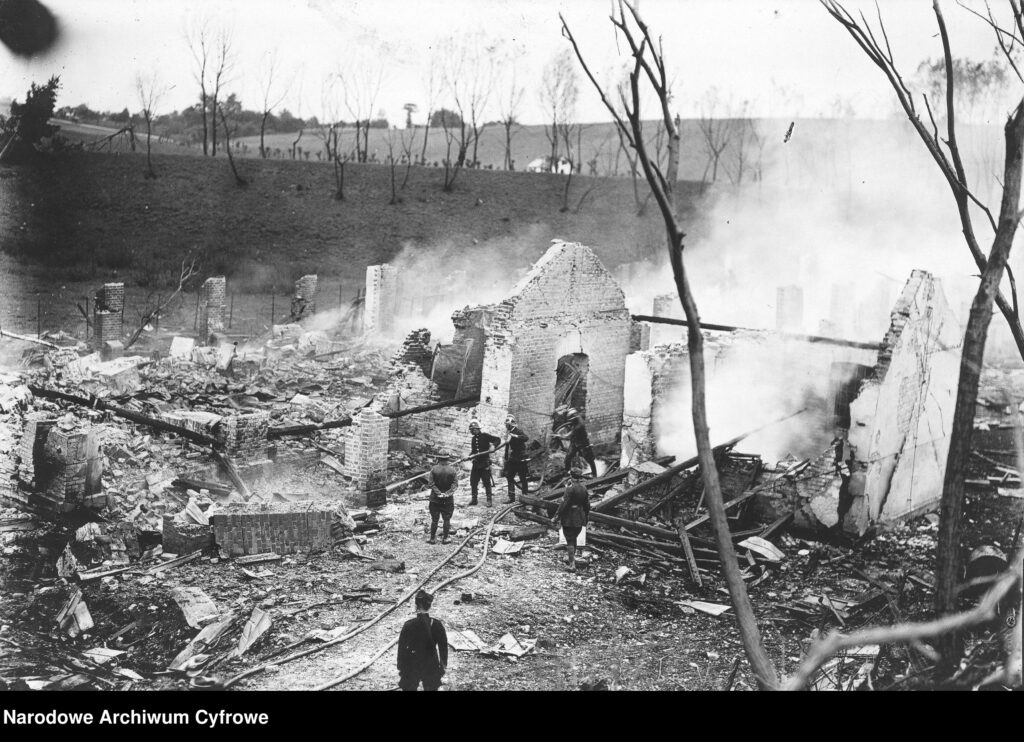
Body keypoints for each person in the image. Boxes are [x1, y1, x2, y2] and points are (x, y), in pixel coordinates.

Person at [396, 590, 448, 691]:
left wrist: (401, 667)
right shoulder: (437, 624)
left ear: (416, 606)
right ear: (430, 606)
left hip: (412, 663)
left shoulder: (408, 625)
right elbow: (443, 648)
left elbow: (401, 649)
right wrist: (442, 667)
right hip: (431, 663)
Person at [553, 468, 590, 570]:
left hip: (569, 517)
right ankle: (572, 561)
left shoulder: (570, 488)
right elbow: (587, 505)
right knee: (574, 539)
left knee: (569, 540)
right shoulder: (584, 488)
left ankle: (572, 565)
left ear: (571, 476)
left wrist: (556, 516)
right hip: (579, 517)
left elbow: (564, 504)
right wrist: (586, 517)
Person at [556, 408, 598, 478]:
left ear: (574, 417)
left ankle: (594, 474)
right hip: (575, 442)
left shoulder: (579, 425)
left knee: (589, 458)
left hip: (583, 443)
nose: (570, 421)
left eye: (571, 419)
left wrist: (559, 436)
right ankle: (567, 472)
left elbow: (568, 436)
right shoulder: (576, 418)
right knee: (568, 457)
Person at [468, 420, 501, 507]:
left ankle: (489, 500)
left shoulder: (485, 436)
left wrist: (493, 445)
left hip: (484, 463)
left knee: (486, 482)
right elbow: (474, 451)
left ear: (476, 429)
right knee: (473, 481)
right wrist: (469, 456)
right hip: (476, 464)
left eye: (472, 430)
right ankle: (474, 500)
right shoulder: (473, 439)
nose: (471, 432)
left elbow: (498, 439)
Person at [428, 453, 458, 544]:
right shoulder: (452, 470)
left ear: (438, 458)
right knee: (447, 519)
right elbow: (455, 484)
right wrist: (447, 494)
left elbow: (431, 484)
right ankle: (445, 538)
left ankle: (432, 539)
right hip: (447, 500)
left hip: (435, 499)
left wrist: (438, 493)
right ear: (448, 459)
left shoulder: (434, 469)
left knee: (434, 520)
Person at [502, 415, 529, 503]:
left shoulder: (518, 431)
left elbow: (526, 438)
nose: (506, 426)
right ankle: (511, 497)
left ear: (511, 424)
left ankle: (525, 495)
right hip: (513, 458)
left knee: (523, 477)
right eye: (506, 425)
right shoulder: (508, 433)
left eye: (507, 425)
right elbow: (507, 444)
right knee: (509, 476)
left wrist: (515, 436)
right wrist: (506, 456)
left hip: (521, 457)